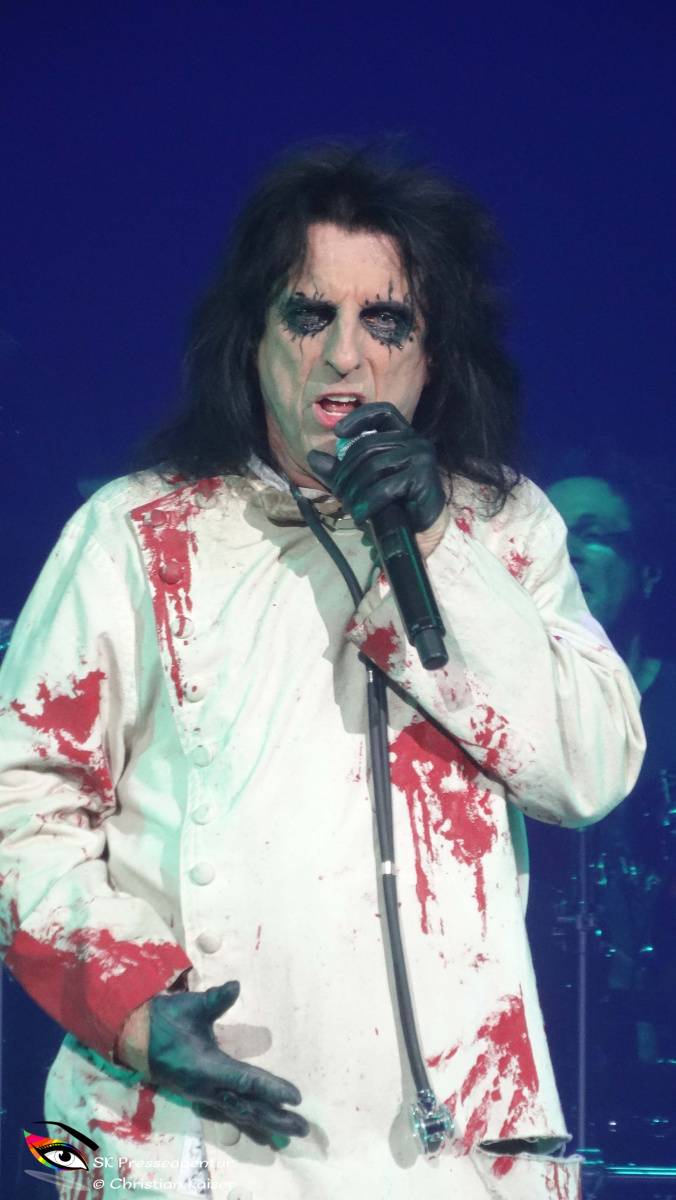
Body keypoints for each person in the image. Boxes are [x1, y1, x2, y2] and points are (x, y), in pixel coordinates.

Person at [0, 145, 644, 1199]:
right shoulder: (137, 533)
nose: (345, 355)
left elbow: (591, 771)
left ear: (433, 354)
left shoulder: (504, 528)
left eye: (385, 321)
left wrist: (437, 543)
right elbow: (21, 800)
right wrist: (129, 1001)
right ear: (252, 340)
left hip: (453, 1151)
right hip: (197, 1142)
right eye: (309, 315)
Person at [528, 447, 676, 1162]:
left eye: (591, 534)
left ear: (648, 569)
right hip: (540, 1061)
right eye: (549, 533)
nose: (567, 551)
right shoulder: (488, 720)